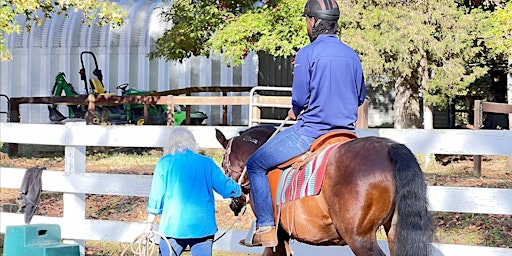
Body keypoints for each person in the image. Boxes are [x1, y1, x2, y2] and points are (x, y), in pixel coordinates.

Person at [240, 0, 366, 247]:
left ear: (314, 21)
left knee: (255, 164)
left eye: (307, 20)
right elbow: (360, 97)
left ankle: (265, 226)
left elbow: (299, 98)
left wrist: (296, 111)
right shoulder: (352, 55)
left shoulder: (306, 54)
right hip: (346, 134)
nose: (307, 24)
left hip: (311, 132)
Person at [145, 127, 242, 256]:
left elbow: (156, 196)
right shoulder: (206, 162)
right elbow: (224, 186)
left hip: (173, 227)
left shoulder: (164, 163)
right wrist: (239, 190)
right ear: (192, 142)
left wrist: (149, 223)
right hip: (203, 226)